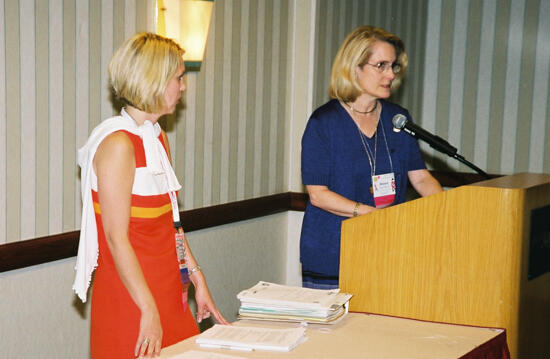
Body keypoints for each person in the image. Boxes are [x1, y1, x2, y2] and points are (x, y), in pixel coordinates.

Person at [73, 32, 228, 359]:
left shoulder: (157, 139)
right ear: (153, 80)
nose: (183, 86)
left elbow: (171, 224)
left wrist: (198, 278)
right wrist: (148, 308)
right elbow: (116, 239)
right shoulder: (118, 146)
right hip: (131, 299)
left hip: (170, 290)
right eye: (178, 78)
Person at [300, 26, 442, 290]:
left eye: (393, 66)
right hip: (333, 253)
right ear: (355, 67)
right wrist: (368, 214)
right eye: (381, 65)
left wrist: (448, 211)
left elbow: (421, 177)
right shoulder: (324, 123)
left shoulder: (398, 119)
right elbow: (318, 194)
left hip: (387, 249)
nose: (390, 74)